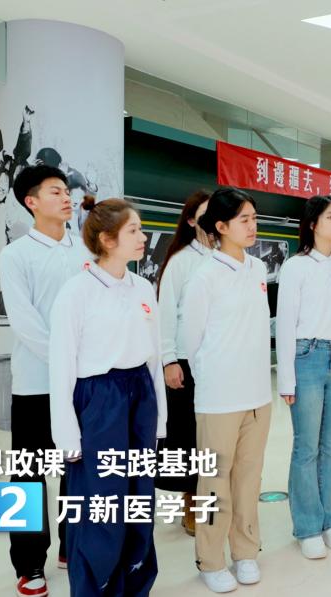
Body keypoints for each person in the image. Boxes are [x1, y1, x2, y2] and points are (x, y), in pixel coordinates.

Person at [49, 197, 167, 597]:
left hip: (141, 395)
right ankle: (94, 588)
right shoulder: (76, 292)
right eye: (134, 230)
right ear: (107, 239)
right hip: (98, 399)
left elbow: (154, 357)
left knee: (139, 496)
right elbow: (61, 366)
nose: (143, 237)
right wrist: (67, 436)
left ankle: (135, 584)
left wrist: (159, 422)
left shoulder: (143, 287)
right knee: (100, 501)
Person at [0, 165, 92, 596]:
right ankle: (29, 562)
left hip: (85, 379)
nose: (66, 197)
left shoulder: (86, 251)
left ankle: (72, 546)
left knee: (78, 469)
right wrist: (63, 362)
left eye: (66, 191)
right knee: (29, 473)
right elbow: (24, 321)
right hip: (36, 382)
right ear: (31, 201)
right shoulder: (16, 254)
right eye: (55, 191)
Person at [181, 188, 272, 594]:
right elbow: (192, 341)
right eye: (243, 220)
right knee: (214, 482)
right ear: (220, 227)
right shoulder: (204, 277)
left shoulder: (257, 269)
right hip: (219, 399)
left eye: (254, 218)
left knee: (248, 479)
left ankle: (245, 551)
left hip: (258, 395)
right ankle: (211, 559)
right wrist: (215, 378)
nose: (253, 226)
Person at [276, 195, 331, 559]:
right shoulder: (296, 267)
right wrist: (286, 378)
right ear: (312, 224)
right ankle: (308, 526)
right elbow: (285, 324)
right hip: (308, 358)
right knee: (306, 447)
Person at [155, 190, 213, 537]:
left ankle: (212, 497)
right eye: (204, 214)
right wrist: (168, 359)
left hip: (220, 361)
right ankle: (191, 501)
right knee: (187, 436)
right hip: (186, 360)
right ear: (191, 221)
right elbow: (164, 313)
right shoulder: (181, 261)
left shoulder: (227, 256)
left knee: (214, 435)